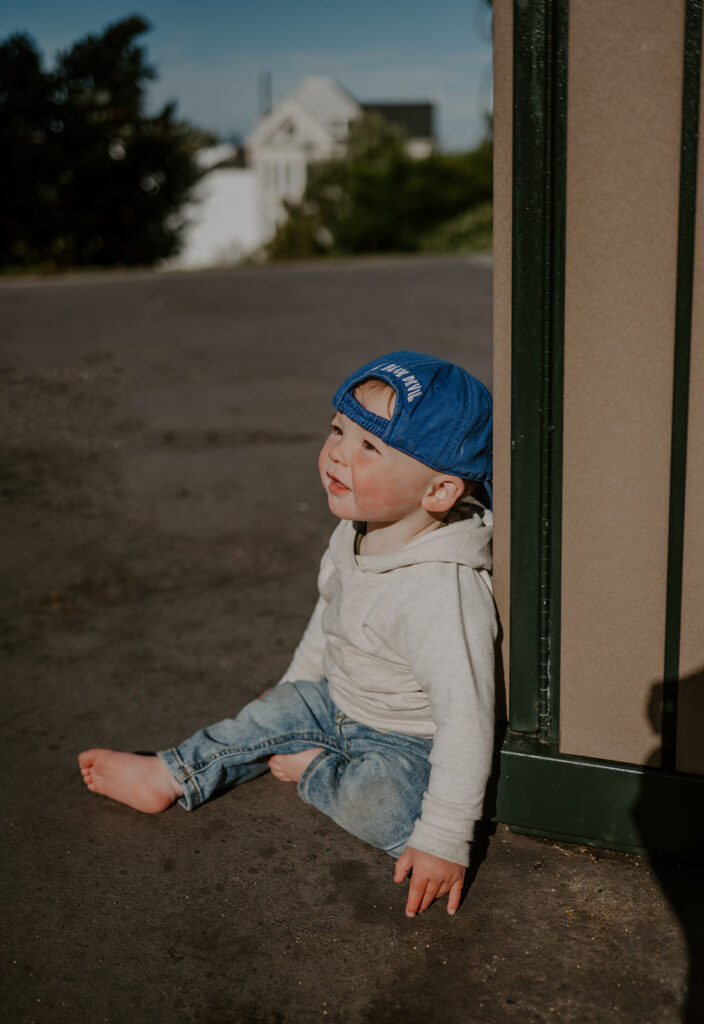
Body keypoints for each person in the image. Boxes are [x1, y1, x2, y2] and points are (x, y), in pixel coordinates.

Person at [79, 350, 497, 918]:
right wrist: (296, 686)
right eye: (337, 430)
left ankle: (316, 771)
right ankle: (171, 773)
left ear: (438, 492)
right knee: (264, 715)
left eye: (369, 447)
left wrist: (444, 840)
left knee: (386, 808)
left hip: (406, 741)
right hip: (340, 699)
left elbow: (466, 719)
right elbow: (329, 620)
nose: (337, 454)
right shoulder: (353, 531)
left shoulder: (439, 592)